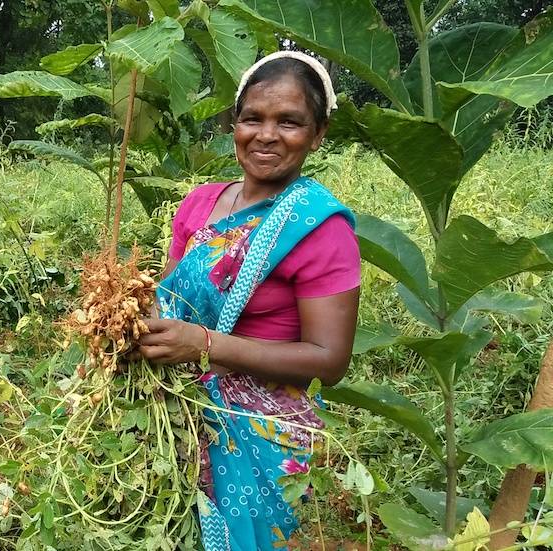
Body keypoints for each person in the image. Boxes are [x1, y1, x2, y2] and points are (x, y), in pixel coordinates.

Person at [134, 51, 360, 550]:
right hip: (171, 406)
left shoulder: (320, 228)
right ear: (234, 124)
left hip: (258, 431)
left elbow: (330, 359)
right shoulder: (201, 202)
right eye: (252, 118)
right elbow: (168, 294)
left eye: (290, 122)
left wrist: (207, 346)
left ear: (318, 134)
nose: (266, 135)